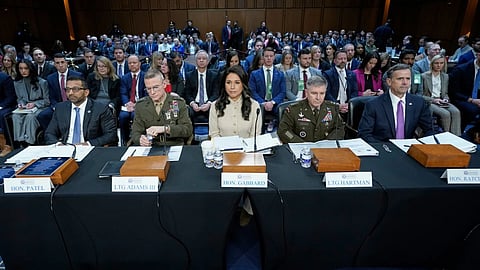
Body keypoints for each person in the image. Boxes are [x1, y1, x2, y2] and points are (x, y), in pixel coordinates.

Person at [358, 64, 434, 143]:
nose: (405, 83)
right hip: (384, 149)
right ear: (389, 82)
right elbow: (364, 134)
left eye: (408, 79)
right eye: (400, 79)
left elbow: (429, 129)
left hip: (409, 149)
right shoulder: (374, 105)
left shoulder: (419, 102)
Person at [45, 76, 117, 146]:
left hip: (89, 149)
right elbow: (49, 133)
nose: (70, 93)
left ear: (86, 92)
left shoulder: (100, 108)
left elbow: (111, 135)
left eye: (75, 89)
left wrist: (88, 144)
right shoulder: (61, 108)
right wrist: (58, 144)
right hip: (65, 149)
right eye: (67, 89)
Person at [131, 69, 192, 146]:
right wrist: (140, 139)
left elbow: (187, 129)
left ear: (164, 84)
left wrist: (166, 129)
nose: (152, 92)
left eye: (155, 87)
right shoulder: (141, 105)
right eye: (149, 89)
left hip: (173, 145)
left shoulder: (177, 103)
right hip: (151, 146)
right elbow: (135, 132)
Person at [278, 75, 345, 143]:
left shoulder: (332, 108)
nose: (318, 98)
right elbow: (284, 131)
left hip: (326, 149)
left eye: (322, 93)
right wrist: (299, 143)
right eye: (314, 93)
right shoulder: (293, 109)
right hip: (300, 149)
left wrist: (328, 143)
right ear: (306, 93)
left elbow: (339, 129)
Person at [209, 65, 262, 138]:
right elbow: (214, 134)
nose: (232, 87)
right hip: (222, 148)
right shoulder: (215, 106)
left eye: (237, 83)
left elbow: (255, 136)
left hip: (248, 149)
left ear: (243, 84)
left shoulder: (254, 106)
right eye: (228, 82)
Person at [37, 53, 83, 131]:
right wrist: (56, 107)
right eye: (57, 63)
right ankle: (52, 135)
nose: (60, 65)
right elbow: (51, 96)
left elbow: (80, 94)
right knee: (42, 116)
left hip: (74, 104)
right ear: (54, 64)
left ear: (66, 63)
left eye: (62, 62)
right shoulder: (50, 78)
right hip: (58, 105)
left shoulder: (77, 75)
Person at [421, 55, 461, 135]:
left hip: (441, 100)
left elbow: (445, 93)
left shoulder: (445, 76)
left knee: (456, 112)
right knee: (445, 114)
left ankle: (455, 136)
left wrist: (446, 99)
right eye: (436, 63)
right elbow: (419, 94)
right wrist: (434, 100)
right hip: (430, 101)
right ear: (432, 64)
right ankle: (446, 135)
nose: (439, 65)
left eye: (441, 63)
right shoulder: (423, 76)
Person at [12, 60, 50, 145]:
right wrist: (21, 103)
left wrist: (34, 104)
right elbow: (19, 98)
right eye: (21, 68)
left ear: (30, 69)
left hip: (40, 107)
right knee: (15, 116)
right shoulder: (17, 83)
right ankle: (20, 141)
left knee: (30, 117)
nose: (23, 71)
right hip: (26, 107)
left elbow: (47, 101)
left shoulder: (42, 82)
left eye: (26, 68)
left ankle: (30, 142)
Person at [184, 50, 220, 123]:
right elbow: (187, 93)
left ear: (207, 61)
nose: (201, 60)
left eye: (204, 59)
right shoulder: (189, 75)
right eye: (199, 58)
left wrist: (209, 103)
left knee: (215, 110)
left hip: (209, 103)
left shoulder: (214, 75)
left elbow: (215, 93)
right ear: (196, 61)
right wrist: (192, 103)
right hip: (194, 105)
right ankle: (191, 133)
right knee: (187, 112)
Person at [449, 46, 480, 129]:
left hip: (477, 99)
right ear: (478, 55)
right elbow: (453, 92)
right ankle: (463, 132)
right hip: (462, 98)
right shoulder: (461, 69)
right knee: (473, 109)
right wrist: (472, 100)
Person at [248, 47, 286, 115]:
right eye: (266, 56)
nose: (269, 58)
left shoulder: (281, 74)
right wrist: (263, 103)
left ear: (274, 57)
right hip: (259, 104)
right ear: (263, 57)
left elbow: (282, 92)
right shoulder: (254, 74)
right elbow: (252, 92)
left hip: (276, 104)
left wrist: (272, 102)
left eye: (271, 56)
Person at [119, 55, 147, 145]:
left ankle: (138, 139)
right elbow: (123, 93)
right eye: (130, 63)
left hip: (141, 104)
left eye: (134, 63)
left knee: (135, 116)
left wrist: (136, 104)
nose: (132, 65)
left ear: (139, 64)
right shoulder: (125, 78)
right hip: (128, 105)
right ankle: (125, 140)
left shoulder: (145, 76)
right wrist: (127, 103)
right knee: (123, 116)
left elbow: (147, 94)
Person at [323, 50, 358, 114]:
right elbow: (327, 93)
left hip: (348, 105)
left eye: (345, 59)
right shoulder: (327, 74)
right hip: (333, 106)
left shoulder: (351, 74)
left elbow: (355, 91)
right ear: (335, 61)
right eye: (340, 59)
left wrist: (349, 104)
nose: (343, 61)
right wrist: (337, 105)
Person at [0, 71, 17, 156]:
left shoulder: (4, 78)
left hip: (6, 106)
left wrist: (1, 106)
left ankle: (7, 145)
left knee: (2, 115)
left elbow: (11, 97)